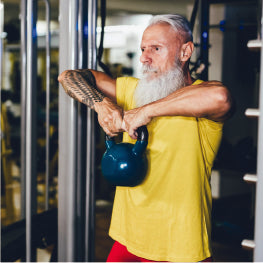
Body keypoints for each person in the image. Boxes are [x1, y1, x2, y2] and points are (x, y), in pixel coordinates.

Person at [58, 14, 233, 262]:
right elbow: (69, 76)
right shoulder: (133, 90)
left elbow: (221, 98)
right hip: (128, 237)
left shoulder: (201, 100)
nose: (144, 58)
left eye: (156, 49)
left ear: (185, 52)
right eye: (142, 49)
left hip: (180, 244)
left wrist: (145, 111)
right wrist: (102, 104)